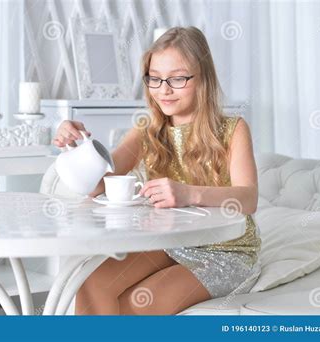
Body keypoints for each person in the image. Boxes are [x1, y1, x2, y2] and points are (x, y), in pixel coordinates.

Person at [53, 26, 261, 315]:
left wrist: (188, 194)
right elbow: (99, 186)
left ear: (204, 78)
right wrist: (77, 147)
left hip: (224, 251)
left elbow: (248, 199)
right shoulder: (146, 131)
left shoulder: (233, 129)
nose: (164, 89)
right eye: (155, 78)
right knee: (90, 285)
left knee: (133, 307)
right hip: (170, 243)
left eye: (177, 78)